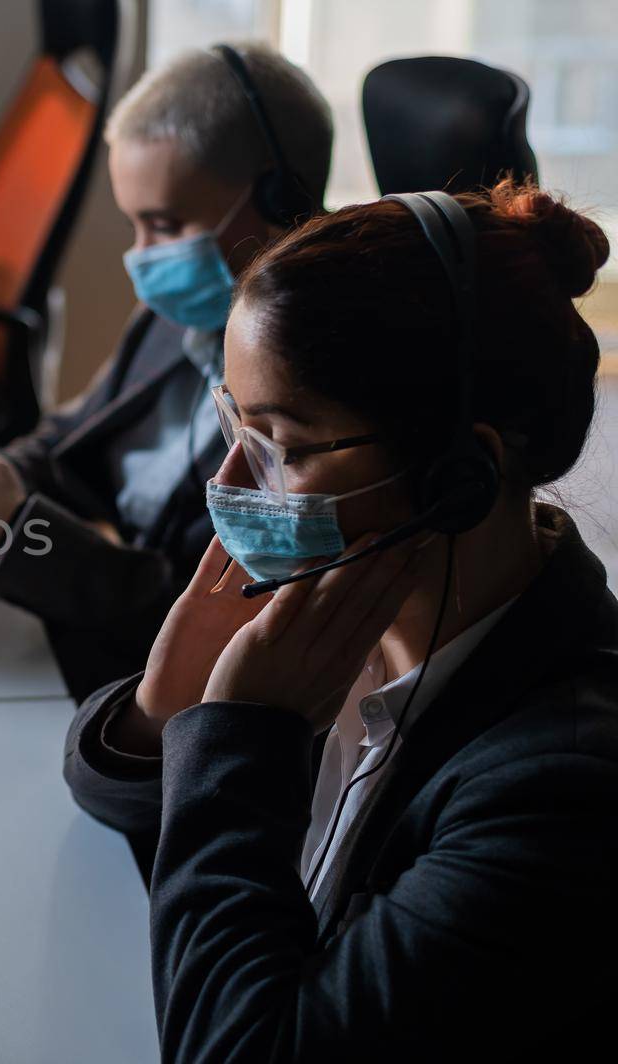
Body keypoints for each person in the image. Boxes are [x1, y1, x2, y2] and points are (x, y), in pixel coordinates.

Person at [65, 180, 617, 1059]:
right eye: (235, 427)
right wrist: (164, 711)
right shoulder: (345, 612)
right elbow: (105, 796)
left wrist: (241, 740)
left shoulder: (560, 793)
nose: (234, 483)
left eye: (283, 445)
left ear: (458, 472)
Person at [0, 43, 333, 699]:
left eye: (164, 225)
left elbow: (217, 625)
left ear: (283, 202)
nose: (141, 259)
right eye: (134, 225)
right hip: (80, 636)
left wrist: (17, 534)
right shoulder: (185, 312)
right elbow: (77, 434)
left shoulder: (318, 396)